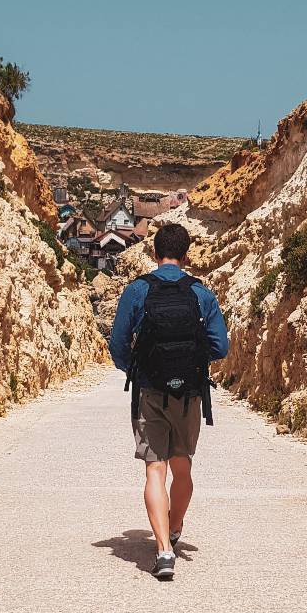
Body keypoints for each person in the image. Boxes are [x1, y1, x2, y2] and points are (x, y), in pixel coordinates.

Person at [109, 222, 229, 580]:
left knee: (154, 470)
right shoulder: (200, 293)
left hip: (150, 391)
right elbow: (220, 346)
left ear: (154, 253)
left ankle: (163, 551)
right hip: (190, 393)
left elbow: (117, 343)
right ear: (187, 254)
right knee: (183, 467)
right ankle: (175, 529)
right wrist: (191, 364)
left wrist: (136, 368)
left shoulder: (138, 290)